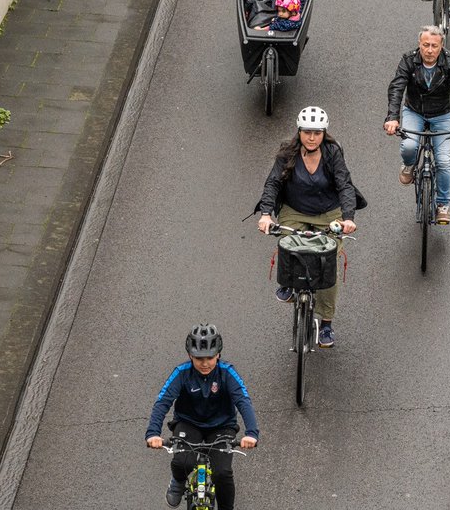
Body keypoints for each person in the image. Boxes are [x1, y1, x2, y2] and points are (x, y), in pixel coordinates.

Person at [255, 106, 366, 348]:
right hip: (295, 209)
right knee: (287, 242)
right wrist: (265, 214)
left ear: (324, 133)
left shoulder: (333, 152)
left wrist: (348, 218)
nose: (312, 138)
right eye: (307, 132)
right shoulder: (287, 152)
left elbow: (345, 186)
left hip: (329, 212)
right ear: (299, 132)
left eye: (317, 133)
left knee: (327, 261)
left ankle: (326, 323)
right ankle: (287, 283)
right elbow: (273, 183)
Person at [145, 324, 258, 510]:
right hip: (189, 423)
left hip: (222, 426)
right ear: (190, 355)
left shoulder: (228, 372)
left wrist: (251, 433)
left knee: (222, 473)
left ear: (218, 355)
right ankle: (178, 482)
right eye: (199, 358)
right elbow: (162, 402)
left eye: (210, 358)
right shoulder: (181, 373)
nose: (205, 363)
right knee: (182, 461)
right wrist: (153, 433)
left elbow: (243, 401)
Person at [384, 26, 450, 223]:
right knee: (409, 146)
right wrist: (392, 117)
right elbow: (397, 86)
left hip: (441, 115)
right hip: (414, 111)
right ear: (419, 45)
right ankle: (409, 166)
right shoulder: (408, 59)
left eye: (434, 46)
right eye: (425, 45)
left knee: (443, 161)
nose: (429, 50)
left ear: (441, 47)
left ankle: (443, 204)